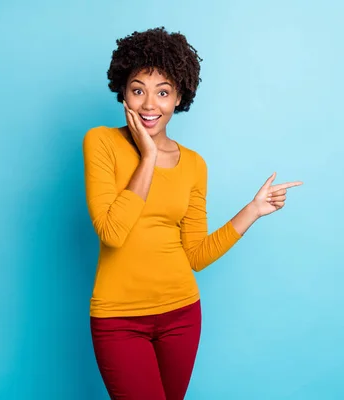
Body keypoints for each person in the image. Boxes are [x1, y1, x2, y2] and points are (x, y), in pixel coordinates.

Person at [82, 26, 302, 400]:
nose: (149, 104)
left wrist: (253, 210)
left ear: (179, 96)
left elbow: (196, 255)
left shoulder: (194, 164)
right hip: (118, 319)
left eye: (163, 92)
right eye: (138, 90)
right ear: (123, 93)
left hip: (182, 314)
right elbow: (113, 232)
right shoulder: (101, 142)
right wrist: (148, 156)